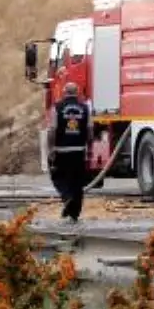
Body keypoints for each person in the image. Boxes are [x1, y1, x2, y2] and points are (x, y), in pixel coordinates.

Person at [49, 82, 93, 223]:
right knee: (77, 181)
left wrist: (51, 149)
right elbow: (90, 130)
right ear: (77, 92)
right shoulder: (86, 108)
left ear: (64, 92)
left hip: (61, 150)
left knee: (59, 176)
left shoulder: (57, 107)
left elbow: (52, 130)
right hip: (79, 150)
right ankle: (74, 213)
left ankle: (67, 197)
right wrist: (89, 148)